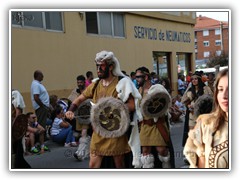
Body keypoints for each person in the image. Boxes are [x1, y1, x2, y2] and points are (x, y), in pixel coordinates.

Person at [65, 50, 142, 168]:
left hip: (116, 131)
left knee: (119, 166)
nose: (98, 69)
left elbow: (131, 105)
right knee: (93, 165)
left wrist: (113, 108)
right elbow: (80, 99)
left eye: (102, 66)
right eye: (97, 66)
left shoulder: (122, 83)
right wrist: (70, 109)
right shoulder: (95, 84)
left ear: (111, 67)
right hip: (98, 132)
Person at [183, 68, 228, 168]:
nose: (194, 81)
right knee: (195, 136)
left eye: (195, 79)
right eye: (192, 79)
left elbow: (210, 100)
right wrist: (189, 104)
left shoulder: (205, 89)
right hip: (192, 116)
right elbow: (183, 101)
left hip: (205, 113)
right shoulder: (190, 90)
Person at [135, 66, 174, 168]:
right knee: (145, 151)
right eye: (136, 77)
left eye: (139, 77)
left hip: (158, 124)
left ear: (146, 77)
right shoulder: (138, 92)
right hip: (145, 125)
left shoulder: (157, 88)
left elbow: (167, 103)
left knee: (162, 150)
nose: (137, 79)